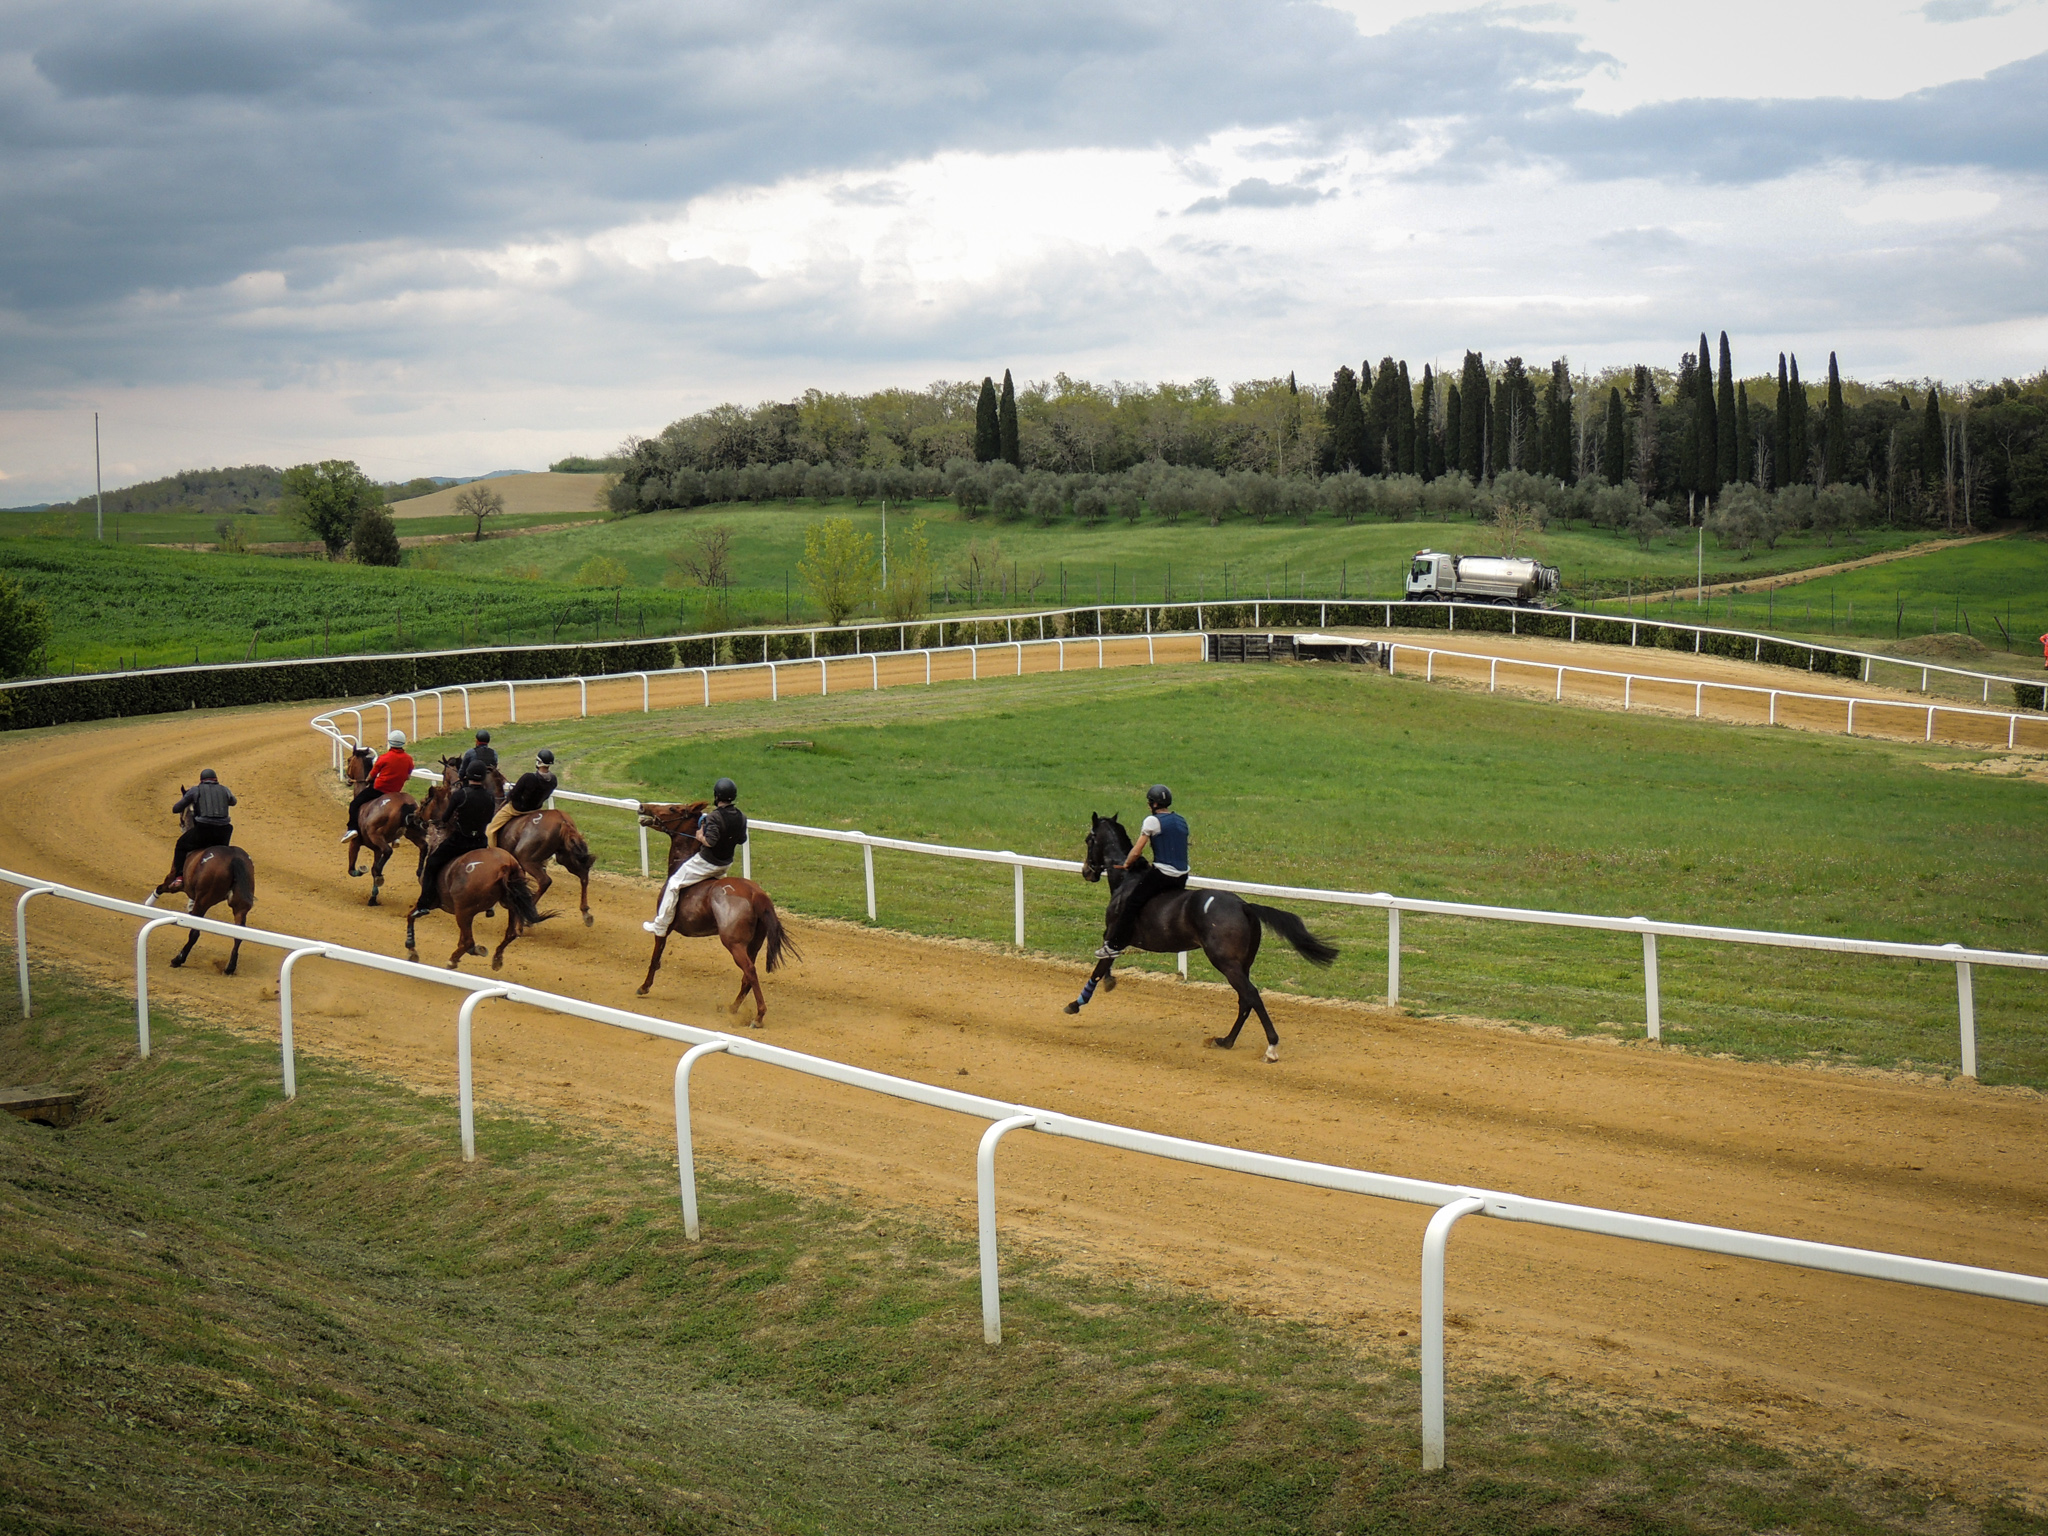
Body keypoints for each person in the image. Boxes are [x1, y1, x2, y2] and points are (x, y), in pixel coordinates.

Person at [644, 777, 747, 936]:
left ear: (717, 795)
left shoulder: (714, 817)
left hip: (707, 863)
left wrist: (700, 836)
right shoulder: (741, 816)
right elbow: (742, 839)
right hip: (725, 865)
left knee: (673, 883)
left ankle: (660, 925)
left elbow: (710, 842)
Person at [1097, 784, 1189, 959]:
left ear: (1154, 804)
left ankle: (1114, 945)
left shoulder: (1152, 821)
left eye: (1149, 803)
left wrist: (1127, 863)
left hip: (1163, 875)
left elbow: (1137, 851)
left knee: (1131, 902)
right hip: (1182, 876)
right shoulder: (1181, 820)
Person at [409, 765, 497, 919]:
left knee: (431, 863)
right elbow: (489, 819)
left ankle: (424, 904)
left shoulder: (460, 795)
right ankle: (490, 904)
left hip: (460, 841)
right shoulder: (490, 796)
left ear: (467, 776)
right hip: (480, 842)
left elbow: (445, 818)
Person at [160, 769, 236, 894]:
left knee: (181, 845)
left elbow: (176, 808)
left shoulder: (196, 790)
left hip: (203, 830)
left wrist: (191, 799)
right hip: (223, 832)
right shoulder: (225, 789)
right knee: (223, 854)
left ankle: (179, 877)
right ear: (216, 779)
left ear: (202, 780)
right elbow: (233, 802)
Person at [344, 730, 414, 842]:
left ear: (390, 742)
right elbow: (408, 776)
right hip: (395, 792)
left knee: (354, 804)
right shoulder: (409, 759)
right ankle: (395, 837)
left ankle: (352, 829)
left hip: (379, 790)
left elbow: (371, 776)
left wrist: (368, 780)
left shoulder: (384, 758)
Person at [487, 748, 557, 848]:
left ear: (538, 762)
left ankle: (493, 852)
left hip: (516, 810)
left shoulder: (528, 777)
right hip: (535, 810)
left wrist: (508, 794)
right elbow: (546, 796)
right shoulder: (553, 780)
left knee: (490, 830)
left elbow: (513, 795)